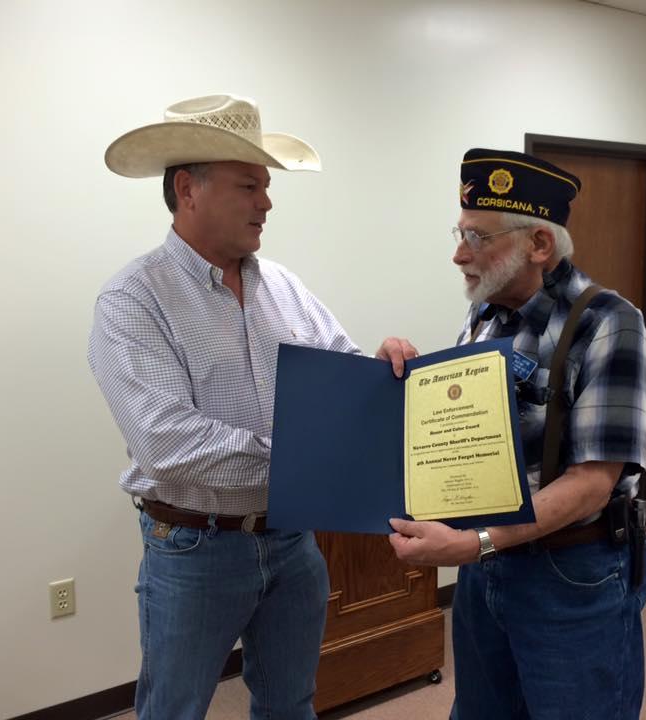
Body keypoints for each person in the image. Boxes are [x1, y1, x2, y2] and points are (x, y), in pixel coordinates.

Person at [88, 94, 414, 720]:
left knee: (290, 705)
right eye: (250, 185)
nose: (267, 202)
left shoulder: (284, 287)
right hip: (193, 545)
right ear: (188, 188)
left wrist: (386, 376)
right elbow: (169, 445)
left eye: (266, 186)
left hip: (292, 541)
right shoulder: (134, 300)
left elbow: (341, 381)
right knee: (173, 710)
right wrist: (303, 460)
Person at [388, 148, 646, 719]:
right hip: (486, 571)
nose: (460, 254)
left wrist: (475, 542)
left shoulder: (611, 326)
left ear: (539, 244)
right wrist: (395, 376)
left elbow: (591, 484)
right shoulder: (485, 317)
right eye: (459, 233)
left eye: (480, 238)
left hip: (570, 575)